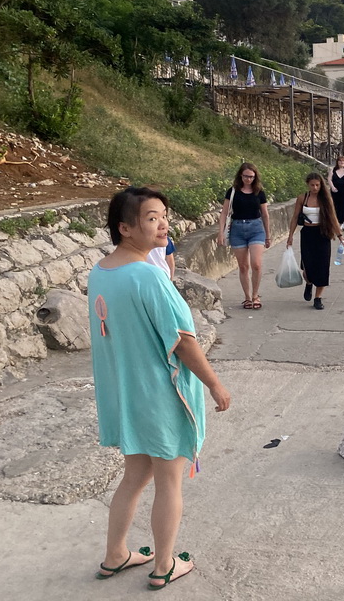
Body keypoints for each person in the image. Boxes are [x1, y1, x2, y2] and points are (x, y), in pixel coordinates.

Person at [89, 187, 231, 589]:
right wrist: (215, 385)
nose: (163, 223)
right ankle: (164, 564)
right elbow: (183, 341)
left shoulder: (100, 271)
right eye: (151, 218)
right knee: (169, 481)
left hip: (126, 395)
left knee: (134, 476)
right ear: (125, 228)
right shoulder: (148, 274)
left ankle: (116, 554)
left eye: (163, 215)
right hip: (160, 394)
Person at [287, 172, 344, 310]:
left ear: (321, 185)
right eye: (312, 185)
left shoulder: (326, 199)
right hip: (307, 234)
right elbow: (295, 217)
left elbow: (333, 218)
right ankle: (308, 283)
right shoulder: (303, 198)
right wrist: (290, 236)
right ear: (308, 185)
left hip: (322, 233)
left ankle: (318, 297)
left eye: (317, 185)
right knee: (307, 267)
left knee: (322, 266)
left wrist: (340, 236)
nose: (315, 187)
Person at [217, 162, 270, 310]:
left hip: (256, 228)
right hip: (238, 229)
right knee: (243, 266)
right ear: (241, 175)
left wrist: (268, 235)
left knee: (256, 264)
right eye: (246, 176)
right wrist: (220, 232)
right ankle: (247, 297)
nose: (249, 179)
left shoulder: (259, 192)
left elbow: (265, 215)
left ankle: (255, 295)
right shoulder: (233, 191)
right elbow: (224, 212)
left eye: (252, 177)